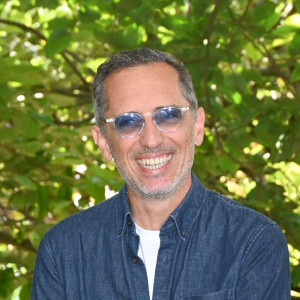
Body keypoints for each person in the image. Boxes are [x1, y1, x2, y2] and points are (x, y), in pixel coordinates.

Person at [31, 48, 290, 299]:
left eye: (168, 115)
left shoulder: (253, 242)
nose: (151, 140)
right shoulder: (63, 251)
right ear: (103, 142)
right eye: (127, 121)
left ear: (197, 126)